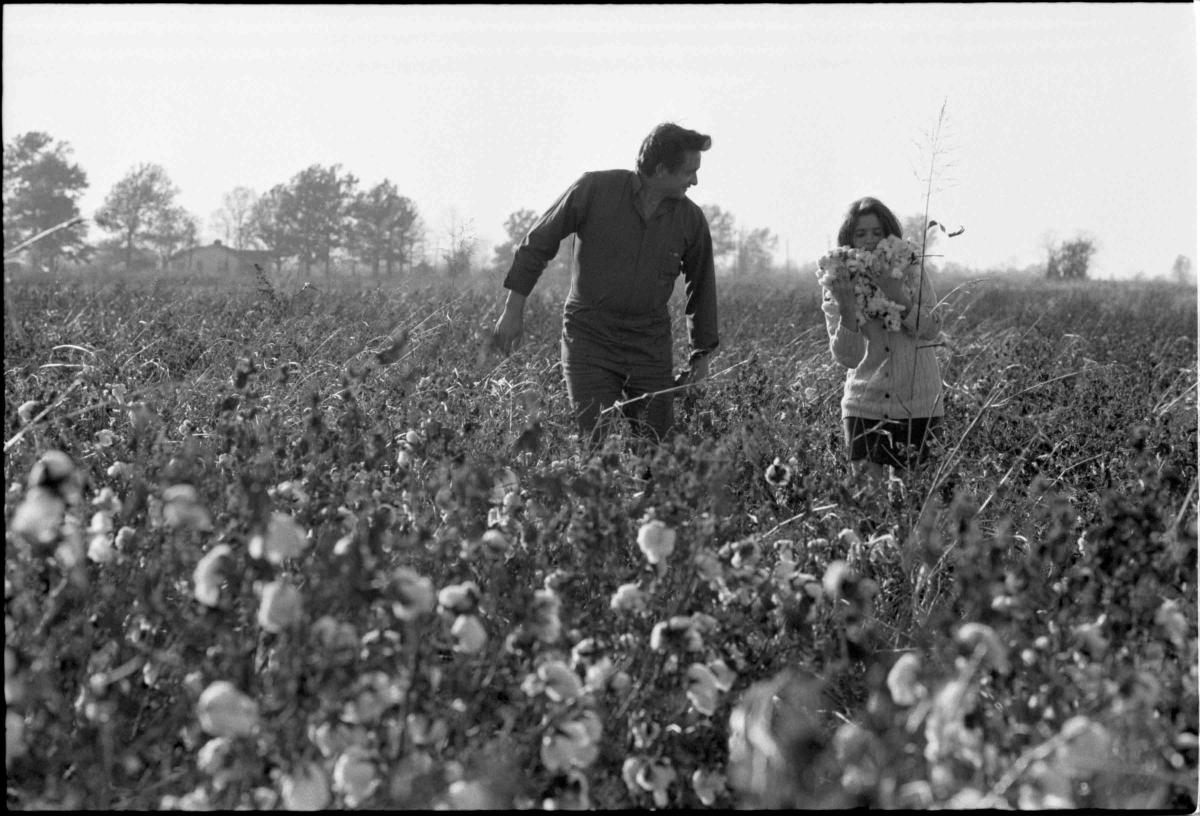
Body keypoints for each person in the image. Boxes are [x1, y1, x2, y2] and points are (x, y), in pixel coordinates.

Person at [489, 122, 719, 446]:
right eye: (688, 172)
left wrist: (701, 357)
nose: (695, 181)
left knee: (658, 451)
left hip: (649, 346)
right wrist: (513, 311)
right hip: (589, 339)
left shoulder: (691, 221)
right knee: (596, 444)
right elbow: (538, 243)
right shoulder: (594, 190)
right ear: (662, 169)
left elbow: (702, 287)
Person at [821, 196, 944, 481]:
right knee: (867, 507)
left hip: (918, 403)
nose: (869, 241)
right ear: (849, 239)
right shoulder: (836, 278)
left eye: (877, 233)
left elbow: (932, 328)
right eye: (860, 234)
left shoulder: (911, 268)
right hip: (864, 404)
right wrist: (847, 306)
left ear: (889, 235)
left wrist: (896, 293)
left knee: (912, 506)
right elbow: (847, 357)